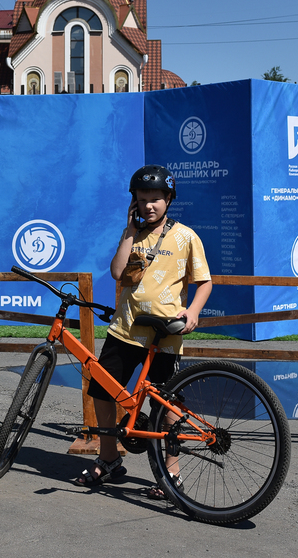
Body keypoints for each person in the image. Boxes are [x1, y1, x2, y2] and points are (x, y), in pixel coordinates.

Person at [74, 164, 213, 500]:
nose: (149, 205)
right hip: (125, 330)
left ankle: (171, 473)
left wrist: (193, 311)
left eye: (156, 199)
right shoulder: (133, 234)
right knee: (103, 391)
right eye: (143, 199)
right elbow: (118, 271)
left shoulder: (186, 236)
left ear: (169, 199)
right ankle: (108, 458)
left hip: (165, 335)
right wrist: (128, 231)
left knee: (167, 406)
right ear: (134, 202)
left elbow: (205, 281)